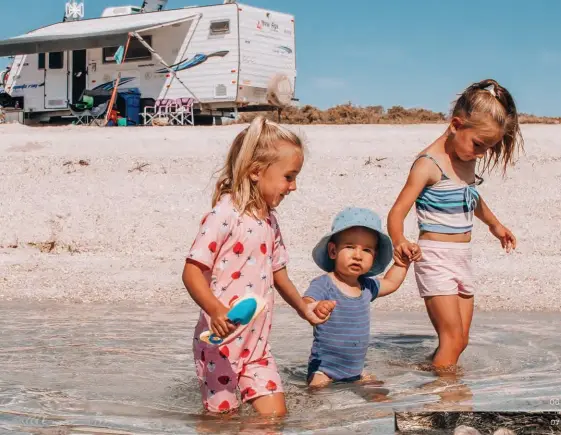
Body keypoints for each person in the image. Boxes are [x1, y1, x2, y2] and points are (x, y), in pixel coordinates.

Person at [182, 116, 335, 416]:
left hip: (257, 347)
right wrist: (215, 310)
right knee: (221, 423)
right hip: (219, 346)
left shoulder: (269, 220)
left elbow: (279, 274)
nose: (293, 187)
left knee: (275, 418)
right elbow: (191, 271)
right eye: (289, 177)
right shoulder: (225, 214)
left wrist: (304, 309)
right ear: (255, 171)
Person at [387, 79, 524, 370]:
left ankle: (427, 381)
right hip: (434, 258)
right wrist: (399, 240)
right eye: (478, 145)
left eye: (488, 148)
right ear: (455, 125)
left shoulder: (466, 158)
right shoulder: (428, 164)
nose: (481, 154)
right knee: (451, 339)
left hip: (462, 258)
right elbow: (397, 211)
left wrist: (494, 225)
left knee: (461, 341)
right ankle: (448, 402)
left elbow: (470, 195)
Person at [303, 207, 410, 387]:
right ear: (333, 251)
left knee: (380, 394)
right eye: (350, 247)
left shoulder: (366, 286)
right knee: (317, 393)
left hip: (356, 371)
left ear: (374, 256)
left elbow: (391, 283)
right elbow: (306, 302)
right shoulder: (324, 284)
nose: (358, 256)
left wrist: (403, 263)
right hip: (324, 370)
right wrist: (316, 307)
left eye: (367, 250)